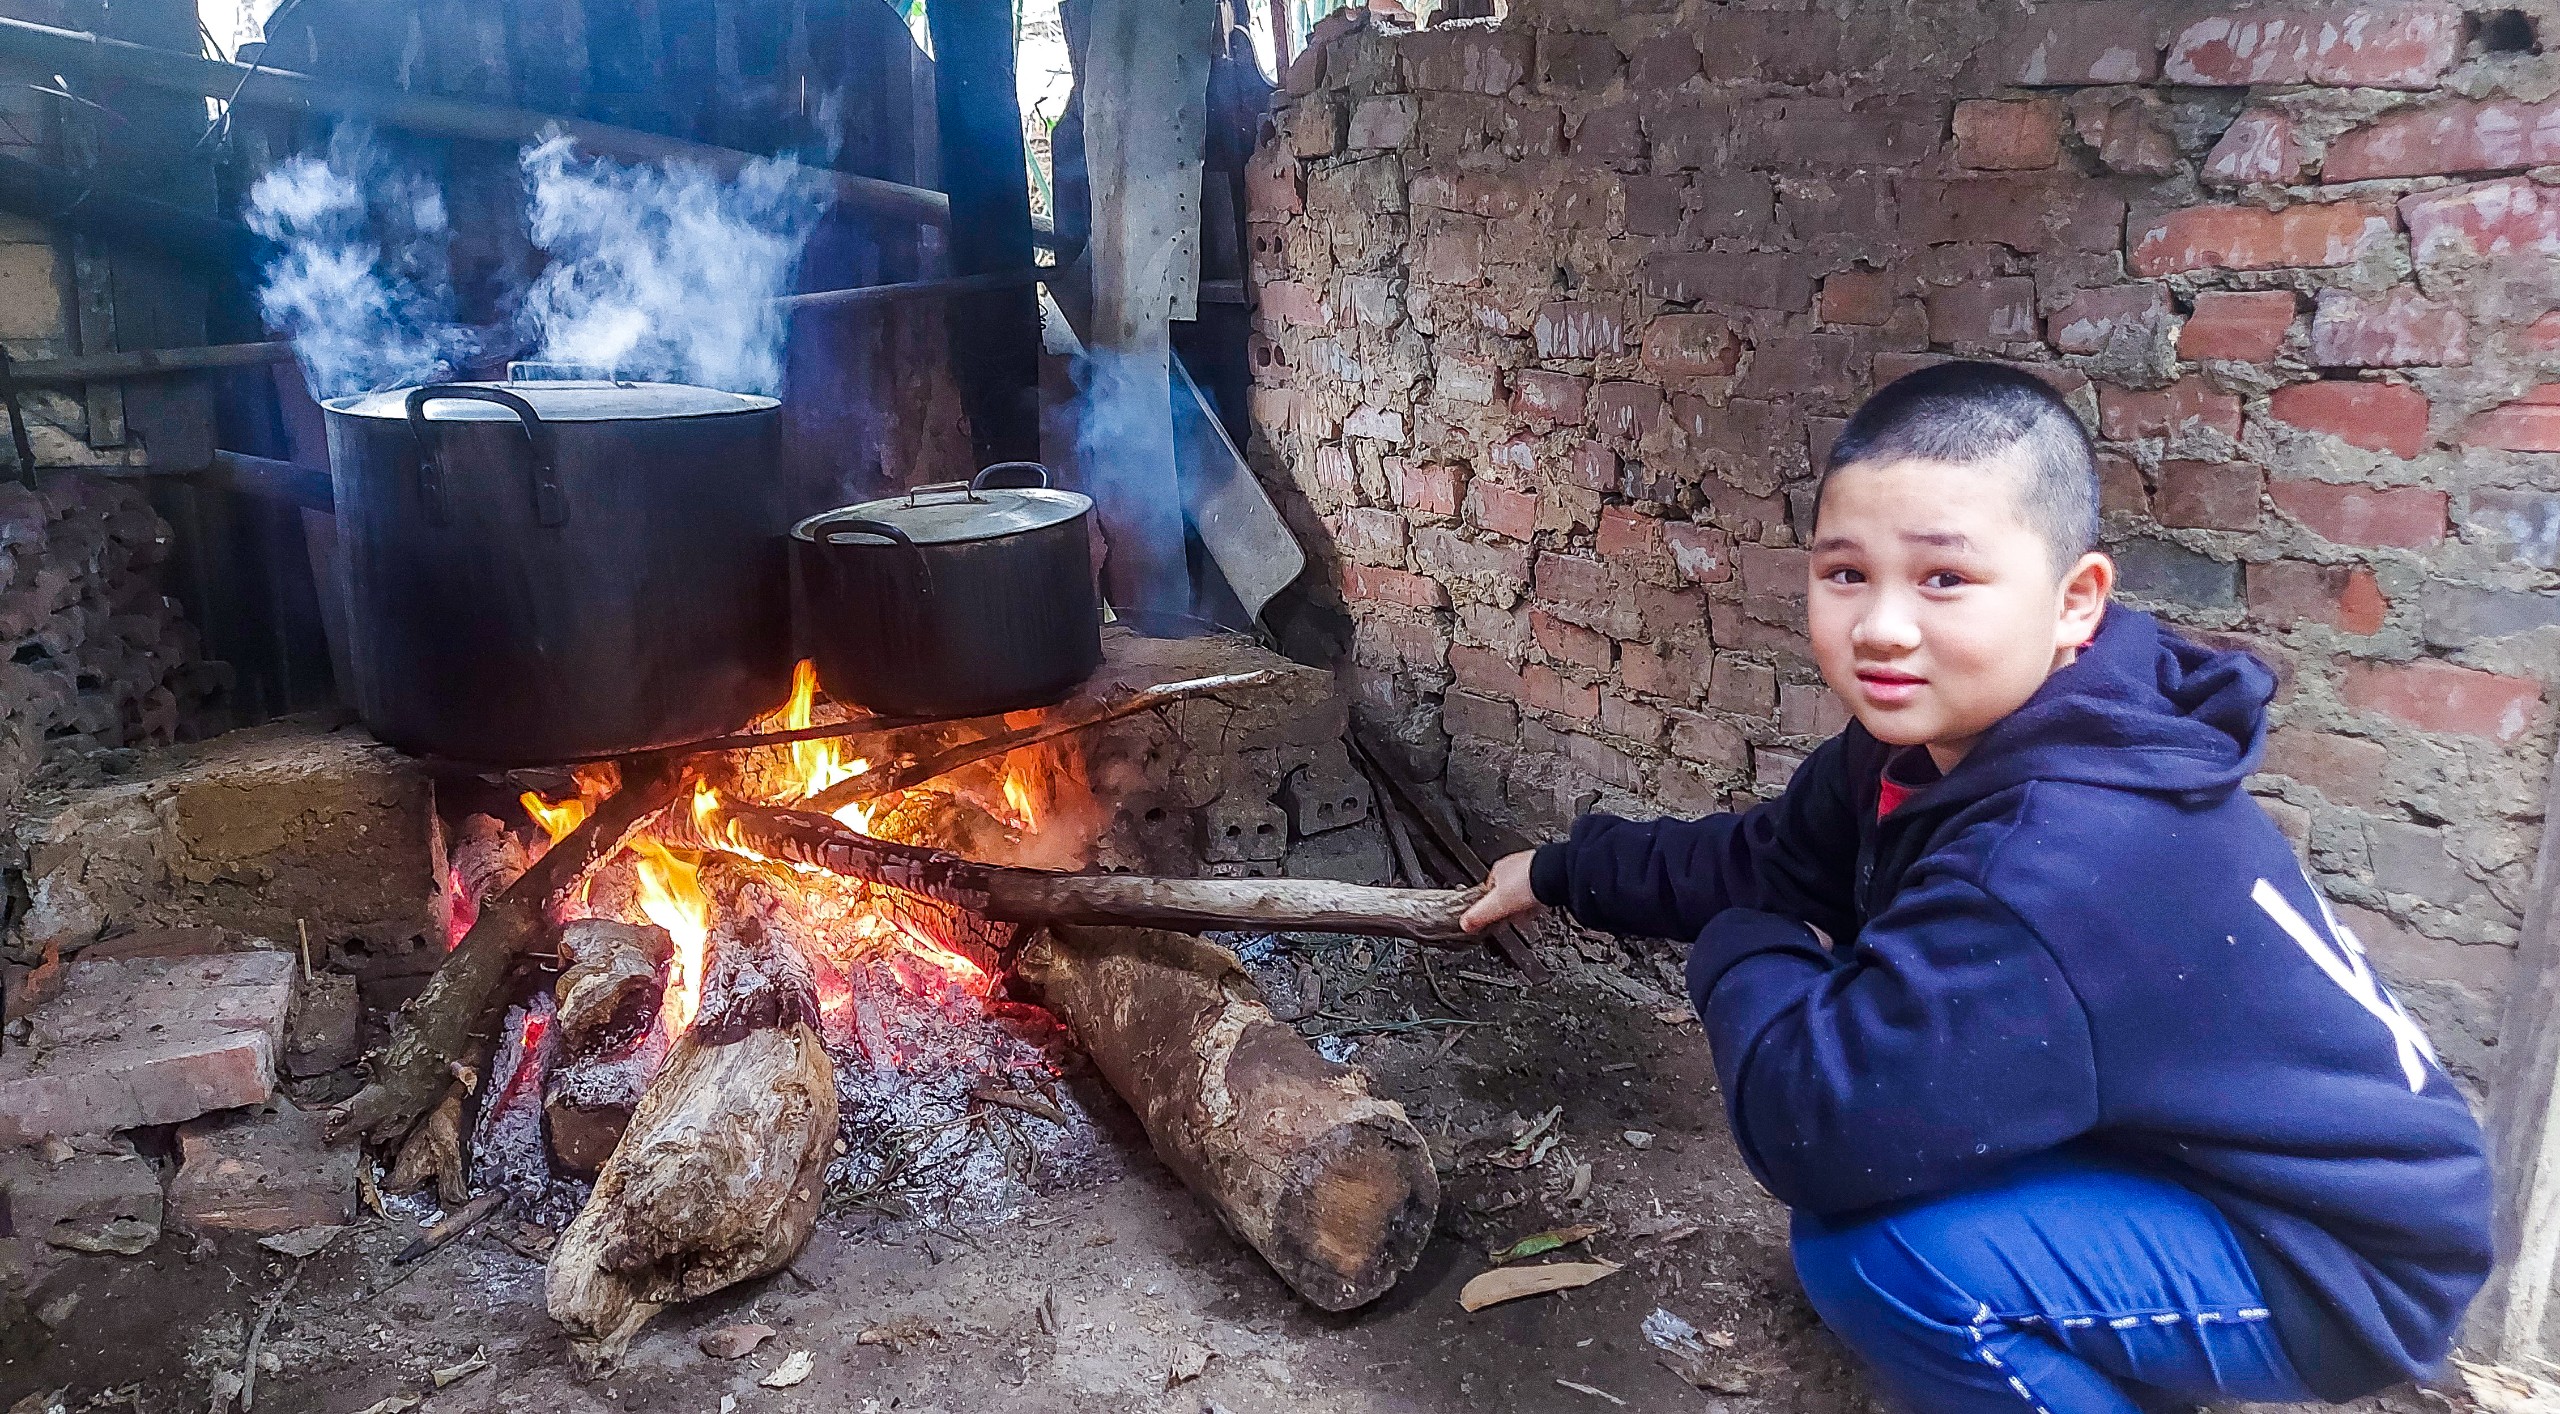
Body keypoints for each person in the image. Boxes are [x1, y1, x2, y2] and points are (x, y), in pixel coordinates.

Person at [1460, 361, 2493, 1412]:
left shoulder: (2058, 856)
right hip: (2204, 1162)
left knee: (1885, 1257)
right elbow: (1765, 855)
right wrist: (1559, 868)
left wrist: (1740, 943)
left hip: (2334, 1258)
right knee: (1897, 1204)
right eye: (1846, 573)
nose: (1882, 628)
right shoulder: (1936, 741)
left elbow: (1815, 1124)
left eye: (1943, 578)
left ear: (2074, 600)